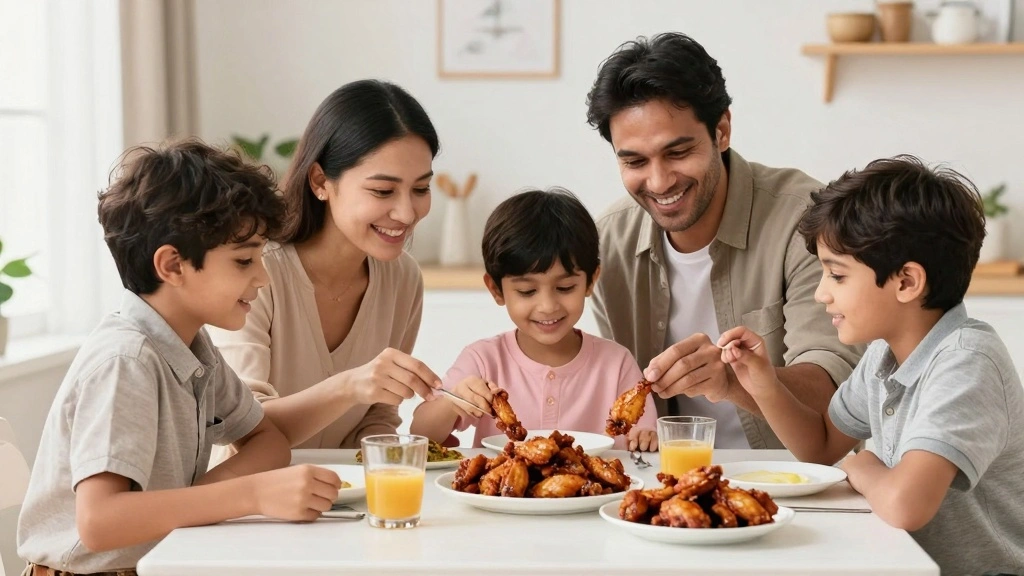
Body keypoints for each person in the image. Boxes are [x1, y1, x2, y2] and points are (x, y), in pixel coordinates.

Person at [17, 140, 342, 575]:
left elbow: (268, 441)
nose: (262, 277)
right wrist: (251, 496)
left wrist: (196, 503)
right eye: (244, 260)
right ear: (172, 266)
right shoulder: (126, 360)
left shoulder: (192, 345)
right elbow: (98, 522)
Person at [719, 156, 1024, 575]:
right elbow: (821, 445)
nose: (821, 294)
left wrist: (863, 467)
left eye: (837, 276)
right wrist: (763, 384)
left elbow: (904, 506)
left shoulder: (965, 363)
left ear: (906, 282)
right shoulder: (885, 355)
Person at [584, 32, 861, 449]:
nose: (659, 182)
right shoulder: (609, 241)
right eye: (635, 161)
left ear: (722, 130)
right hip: (668, 487)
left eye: (678, 153)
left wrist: (732, 380)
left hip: (796, 483)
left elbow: (835, 392)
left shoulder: (807, 220)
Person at [208, 80, 443, 454]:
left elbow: (377, 419)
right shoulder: (256, 272)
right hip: (250, 502)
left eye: (421, 189)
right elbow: (240, 431)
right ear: (320, 181)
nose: (407, 213)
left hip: (341, 502)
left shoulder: (403, 277)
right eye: (383, 191)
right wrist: (350, 386)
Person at [410, 188, 658, 451]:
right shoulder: (482, 360)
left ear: (591, 281)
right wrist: (454, 401)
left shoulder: (617, 364)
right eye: (527, 291)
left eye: (565, 288)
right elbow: (421, 435)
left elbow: (644, 437)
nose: (548, 306)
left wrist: (647, 439)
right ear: (496, 289)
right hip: (502, 491)